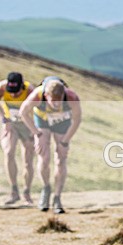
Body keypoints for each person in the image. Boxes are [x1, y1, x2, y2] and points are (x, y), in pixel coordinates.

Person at [20, 76, 82, 214]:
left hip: (62, 122)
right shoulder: (37, 94)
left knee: (61, 159)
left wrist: (65, 141)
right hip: (42, 120)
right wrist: (36, 133)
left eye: (58, 100)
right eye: (53, 101)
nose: (56, 104)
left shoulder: (71, 97)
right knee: (44, 157)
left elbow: (77, 120)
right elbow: (23, 113)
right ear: (46, 95)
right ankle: (46, 188)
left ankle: (57, 197)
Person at [0, 72, 36, 205]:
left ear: (21, 87)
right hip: (11, 124)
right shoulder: (1, 87)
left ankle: (27, 193)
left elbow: (39, 110)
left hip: (27, 125)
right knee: (9, 152)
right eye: (11, 92)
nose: (13, 95)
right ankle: (14, 191)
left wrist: (34, 130)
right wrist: (4, 119)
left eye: (16, 92)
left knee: (27, 160)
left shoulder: (30, 91)